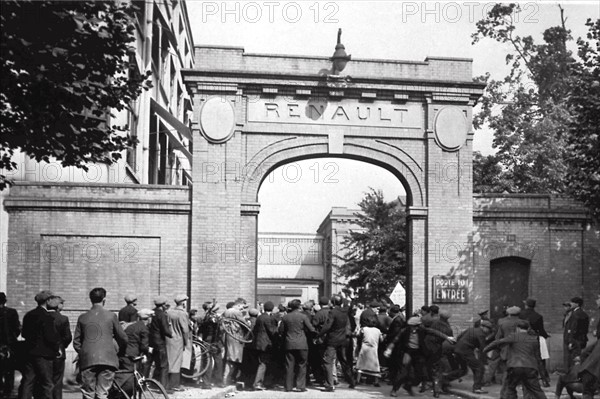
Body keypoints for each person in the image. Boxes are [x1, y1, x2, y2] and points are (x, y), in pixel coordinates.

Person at [73, 287, 128, 399]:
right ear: (104, 300)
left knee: (88, 394)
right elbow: (123, 338)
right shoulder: (111, 316)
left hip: (88, 360)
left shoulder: (83, 317)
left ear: (90, 300)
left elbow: (76, 342)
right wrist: (117, 352)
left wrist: (83, 352)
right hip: (108, 359)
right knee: (103, 393)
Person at [483, 319, 547, 399]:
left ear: (518, 328)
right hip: (530, 368)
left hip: (515, 367)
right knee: (537, 390)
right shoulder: (533, 339)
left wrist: (485, 350)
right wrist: (543, 377)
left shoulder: (514, 336)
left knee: (510, 388)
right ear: (528, 328)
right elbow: (539, 359)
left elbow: (498, 342)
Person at [18, 290, 60, 399]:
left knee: (28, 382)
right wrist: (56, 349)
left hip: (29, 352)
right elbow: (51, 337)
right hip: (44, 355)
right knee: (47, 383)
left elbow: (24, 333)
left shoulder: (29, 315)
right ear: (48, 301)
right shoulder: (47, 317)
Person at [445, 319, 493, 395]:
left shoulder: (471, 329)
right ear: (483, 327)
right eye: (488, 329)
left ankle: (444, 379)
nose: (488, 331)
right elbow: (483, 349)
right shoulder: (481, 334)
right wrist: (484, 362)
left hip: (457, 349)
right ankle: (477, 388)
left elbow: (459, 337)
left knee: (464, 370)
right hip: (466, 351)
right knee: (479, 367)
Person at [319, 295, 355, 392]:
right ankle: (352, 381)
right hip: (343, 339)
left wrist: (319, 334)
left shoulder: (333, 312)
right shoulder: (344, 311)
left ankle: (330, 385)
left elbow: (327, 326)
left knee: (328, 362)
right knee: (344, 361)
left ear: (333, 302)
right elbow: (350, 307)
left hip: (333, 340)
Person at [279, 299, 315, 392]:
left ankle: (288, 386)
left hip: (289, 343)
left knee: (289, 365)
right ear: (299, 306)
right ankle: (300, 386)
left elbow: (281, 331)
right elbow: (311, 329)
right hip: (302, 343)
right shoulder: (303, 317)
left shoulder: (285, 317)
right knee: (302, 364)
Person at [116, 308, 152, 396]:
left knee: (126, 377)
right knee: (131, 381)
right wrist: (148, 351)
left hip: (124, 354)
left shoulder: (132, 326)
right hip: (132, 356)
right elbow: (144, 346)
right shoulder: (144, 329)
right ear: (148, 319)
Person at [520, 297, 551, 387]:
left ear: (526, 305)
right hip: (534, 339)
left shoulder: (521, 315)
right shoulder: (538, 316)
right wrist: (546, 335)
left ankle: (523, 380)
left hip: (523, 339)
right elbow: (541, 330)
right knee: (539, 360)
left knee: (523, 358)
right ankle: (545, 380)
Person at [48, 296, 72, 399]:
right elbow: (67, 337)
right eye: (62, 303)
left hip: (43, 354)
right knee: (57, 381)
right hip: (58, 352)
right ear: (58, 305)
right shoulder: (63, 319)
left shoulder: (40, 317)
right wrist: (62, 346)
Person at [166, 294, 190, 392]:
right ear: (183, 303)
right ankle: (174, 385)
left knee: (169, 361)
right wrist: (186, 342)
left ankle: (167, 383)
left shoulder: (169, 312)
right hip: (178, 340)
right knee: (176, 362)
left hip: (168, 339)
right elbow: (185, 330)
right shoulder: (183, 314)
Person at [251, 301, 278, 391]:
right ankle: (257, 383)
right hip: (266, 344)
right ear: (272, 308)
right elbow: (272, 331)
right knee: (263, 363)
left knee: (261, 362)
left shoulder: (260, 317)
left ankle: (261, 382)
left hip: (258, 343)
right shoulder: (268, 318)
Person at [149, 296, 173, 391]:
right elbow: (165, 329)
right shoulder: (162, 315)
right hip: (160, 342)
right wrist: (170, 334)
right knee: (164, 365)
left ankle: (154, 384)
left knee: (156, 363)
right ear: (163, 305)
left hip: (152, 341)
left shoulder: (152, 313)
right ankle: (164, 388)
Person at [223, 298, 248, 385]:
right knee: (234, 358)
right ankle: (227, 379)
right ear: (238, 304)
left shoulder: (227, 311)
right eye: (242, 307)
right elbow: (244, 323)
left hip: (228, 335)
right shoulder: (236, 312)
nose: (242, 309)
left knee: (229, 357)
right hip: (235, 336)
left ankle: (226, 378)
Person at [198, 301, 224, 389]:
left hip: (212, 340)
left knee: (215, 361)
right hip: (210, 341)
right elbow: (202, 326)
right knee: (212, 361)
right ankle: (212, 382)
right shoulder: (206, 317)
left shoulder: (212, 317)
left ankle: (212, 382)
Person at [0, 292, 21, 398]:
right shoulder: (11, 312)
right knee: (9, 370)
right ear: (5, 301)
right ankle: (7, 392)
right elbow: (17, 329)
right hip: (9, 345)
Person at [564, 296, 590, 369]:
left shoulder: (575, 314)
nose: (571, 304)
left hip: (575, 340)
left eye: (572, 302)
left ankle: (574, 375)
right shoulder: (584, 314)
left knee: (574, 358)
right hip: (582, 339)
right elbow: (585, 329)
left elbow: (573, 329)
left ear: (577, 304)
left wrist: (571, 342)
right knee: (579, 358)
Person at [356, 319, 383, 387]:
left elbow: (358, 335)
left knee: (361, 365)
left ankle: (357, 380)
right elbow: (381, 339)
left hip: (364, 348)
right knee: (375, 366)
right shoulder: (378, 330)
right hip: (374, 348)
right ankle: (376, 381)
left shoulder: (363, 329)